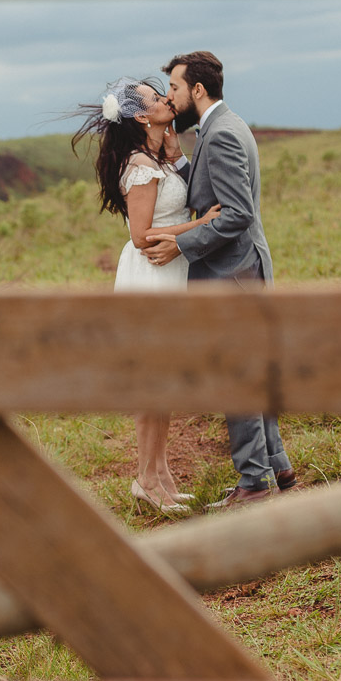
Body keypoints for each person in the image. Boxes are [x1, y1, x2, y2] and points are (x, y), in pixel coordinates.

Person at [143, 51, 295, 510]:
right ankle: (277, 467)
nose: (170, 96)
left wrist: (181, 245)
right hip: (241, 269)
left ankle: (253, 485)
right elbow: (212, 194)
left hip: (233, 273)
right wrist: (181, 162)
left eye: (173, 87)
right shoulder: (223, 127)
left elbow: (237, 213)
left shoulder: (223, 134)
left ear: (197, 90)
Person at [72, 77, 221, 515]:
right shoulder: (139, 163)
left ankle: (161, 475)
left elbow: (181, 196)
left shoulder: (157, 155)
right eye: (157, 98)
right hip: (152, 271)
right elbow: (140, 236)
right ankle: (145, 478)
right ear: (141, 115)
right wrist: (199, 226)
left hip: (172, 268)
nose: (165, 99)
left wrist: (176, 155)